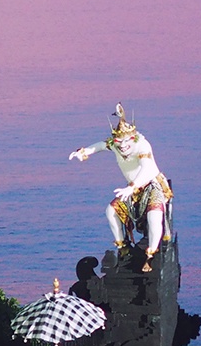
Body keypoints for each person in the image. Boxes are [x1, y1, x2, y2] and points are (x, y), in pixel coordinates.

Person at [69, 102, 174, 272]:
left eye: (127, 142)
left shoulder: (142, 145)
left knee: (154, 217)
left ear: (133, 139)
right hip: (131, 190)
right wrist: (84, 152)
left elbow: (146, 168)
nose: (123, 146)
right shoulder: (116, 145)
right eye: (119, 142)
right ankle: (123, 247)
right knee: (111, 211)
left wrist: (132, 187)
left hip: (152, 186)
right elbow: (101, 146)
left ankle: (151, 255)